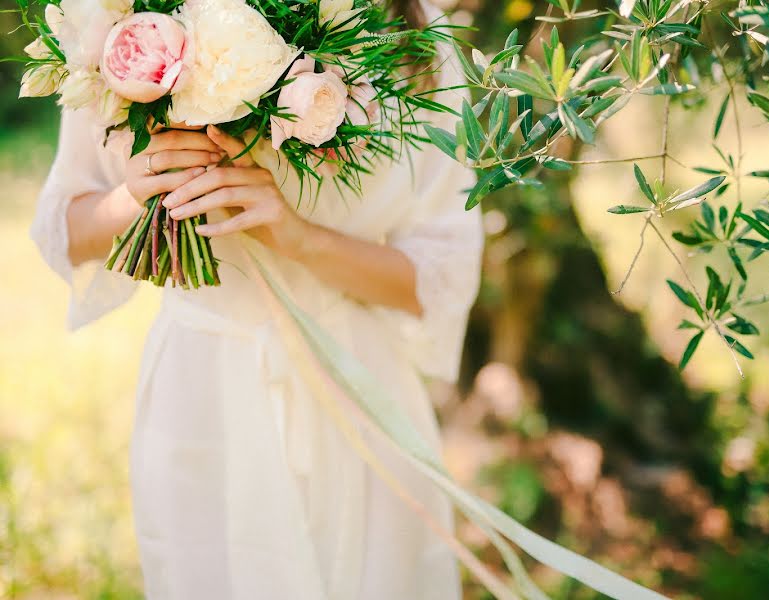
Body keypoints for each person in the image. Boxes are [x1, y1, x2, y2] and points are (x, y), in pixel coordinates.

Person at [30, 1, 483, 597]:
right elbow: (65, 232)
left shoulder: (417, 42)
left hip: (352, 384)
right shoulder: (124, 24)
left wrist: (297, 237)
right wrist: (137, 192)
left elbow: (433, 282)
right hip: (200, 395)